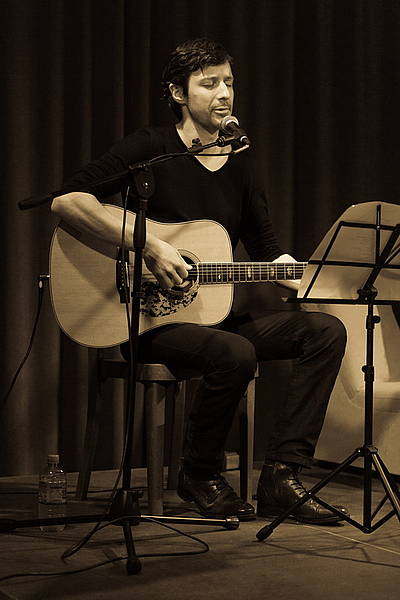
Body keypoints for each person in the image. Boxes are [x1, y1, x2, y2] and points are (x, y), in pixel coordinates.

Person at [51, 38, 348, 524]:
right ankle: (201, 474)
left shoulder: (243, 165)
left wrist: (303, 275)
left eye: (229, 82)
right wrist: (149, 245)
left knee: (325, 331)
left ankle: (281, 475)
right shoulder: (151, 149)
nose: (224, 93)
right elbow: (68, 201)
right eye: (209, 84)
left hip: (213, 316)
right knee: (235, 352)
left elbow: (266, 252)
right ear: (178, 93)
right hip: (148, 320)